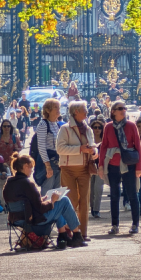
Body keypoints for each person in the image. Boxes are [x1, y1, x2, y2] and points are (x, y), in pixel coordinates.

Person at [3, 154, 83, 249]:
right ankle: (76, 235)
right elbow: (40, 208)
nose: (32, 170)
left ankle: (63, 236)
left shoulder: (8, 184)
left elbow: (28, 202)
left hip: (16, 220)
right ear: (25, 166)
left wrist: (43, 199)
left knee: (58, 203)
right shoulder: (27, 183)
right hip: (33, 220)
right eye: (31, 167)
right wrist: (52, 201)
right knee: (63, 200)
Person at [98, 101, 141, 235]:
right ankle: (115, 225)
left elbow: (138, 146)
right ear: (113, 112)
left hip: (128, 164)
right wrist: (101, 166)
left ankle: (135, 224)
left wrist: (139, 166)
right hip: (112, 165)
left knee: (132, 194)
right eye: (120, 108)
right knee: (114, 195)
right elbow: (104, 146)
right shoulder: (108, 127)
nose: (123, 110)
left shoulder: (131, 125)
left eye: (124, 108)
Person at [57, 100, 97, 240]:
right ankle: (69, 229)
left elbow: (93, 147)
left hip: (85, 169)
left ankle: (83, 233)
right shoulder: (65, 129)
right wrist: (80, 149)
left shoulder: (88, 129)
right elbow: (60, 149)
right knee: (71, 200)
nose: (87, 112)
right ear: (76, 112)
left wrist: (94, 152)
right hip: (68, 169)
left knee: (84, 201)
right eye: (84, 110)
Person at [32, 98, 62, 192]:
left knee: (57, 194)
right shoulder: (43, 124)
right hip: (48, 163)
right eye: (55, 107)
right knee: (47, 193)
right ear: (48, 110)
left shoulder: (57, 125)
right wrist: (48, 166)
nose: (58, 110)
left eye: (59, 107)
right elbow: (41, 147)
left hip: (58, 163)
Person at [88, 117, 107, 218]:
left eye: (99, 127)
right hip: (90, 167)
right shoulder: (88, 140)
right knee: (90, 190)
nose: (97, 129)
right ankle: (92, 208)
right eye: (95, 127)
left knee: (98, 189)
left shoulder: (105, 140)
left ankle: (97, 210)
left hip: (101, 167)